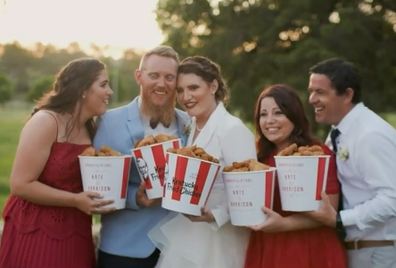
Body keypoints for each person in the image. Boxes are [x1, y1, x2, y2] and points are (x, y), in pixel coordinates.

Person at [0, 58, 115, 268]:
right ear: (82, 89)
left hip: (77, 231)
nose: (110, 92)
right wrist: (75, 200)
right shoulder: (46, 121)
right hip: (37, 230)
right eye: (103, 84)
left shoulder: (92, 129)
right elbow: (20, 184)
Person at [148, 56, 257, 268]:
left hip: (219, 243)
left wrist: (214, 215)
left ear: (213, 86)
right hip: (187, 235)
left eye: (193, 88)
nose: (186, 96)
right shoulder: (191, 126)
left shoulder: (232, 129)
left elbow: (249, 193)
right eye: (180, 90)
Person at [93, 46, 190, 268]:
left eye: (169, 77)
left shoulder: (190, 123)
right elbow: (95, 184)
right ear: (139, 76)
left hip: (179, 250)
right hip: (125, 249)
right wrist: (134, 198)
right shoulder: (107, 122)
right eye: (153, 75)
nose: (161, 84)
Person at [306, 58, 396, 268]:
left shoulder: (370, 134)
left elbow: (392, 198)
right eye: (311, 91)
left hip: (378, 253)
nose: (312, 99)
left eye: (320, 92)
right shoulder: (339, 133)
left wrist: (339, 220)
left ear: (347, 94)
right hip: (357, 251)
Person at [244, 84, 347, 268]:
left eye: (278, 113)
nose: (269, 120)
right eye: (263, 114)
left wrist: (284, 224)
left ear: (294, 115)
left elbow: (329, 210)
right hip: (267, 248)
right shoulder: (256, 155)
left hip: (310, 248)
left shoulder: (316, 153)